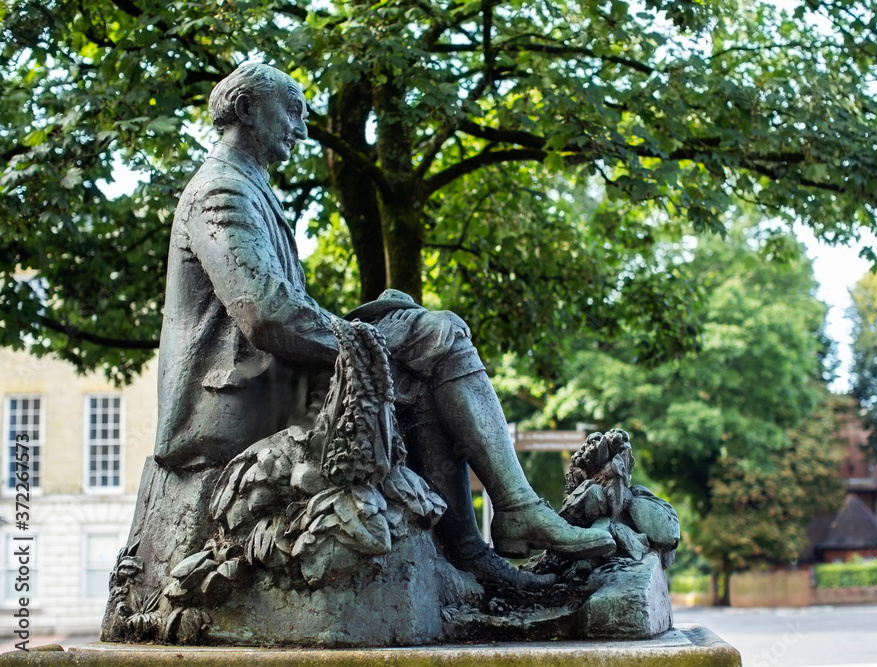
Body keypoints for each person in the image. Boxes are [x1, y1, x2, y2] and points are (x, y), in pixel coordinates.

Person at [155, 62, 613, 587]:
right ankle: (506, 517)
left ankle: (476, 544)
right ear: (246, 109)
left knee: (421, 338)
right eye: (294, 112)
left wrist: (367, 321)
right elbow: (266, 314)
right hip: (236, 406)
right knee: (436, 335)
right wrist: (364, 338)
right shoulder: (221, 191)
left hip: (272, 379)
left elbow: (276, 309)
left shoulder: (247, 187)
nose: (302, 130)